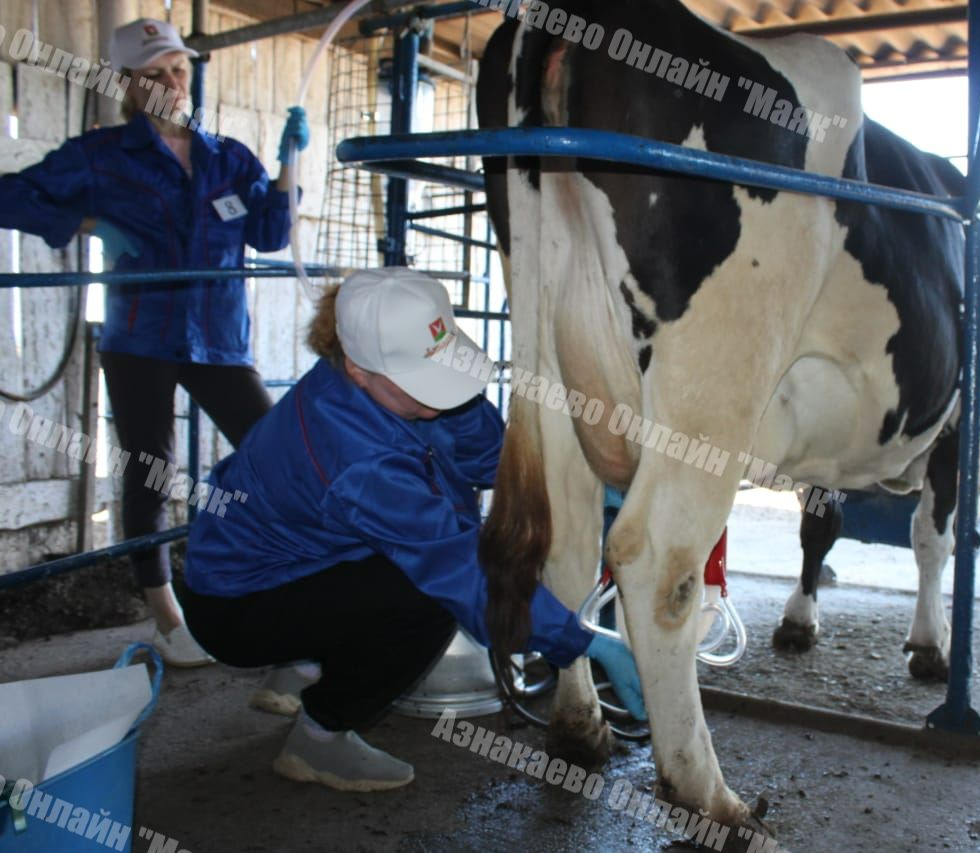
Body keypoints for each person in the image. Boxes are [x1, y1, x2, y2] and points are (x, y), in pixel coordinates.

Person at [179, 267, 646, 792]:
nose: (439, 396)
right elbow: (459, 570)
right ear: (358, 369)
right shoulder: (358, 459)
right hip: (235, 605)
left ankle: (304, 664)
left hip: (297, 560)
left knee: (393, 564)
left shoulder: (378, 385)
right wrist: (579, 643)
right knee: (424, 599)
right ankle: (319, 737)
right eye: (423, 382)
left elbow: (487, 455)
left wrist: (576, 485)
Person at [0, 18, 310, 666]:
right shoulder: (101, 155)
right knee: (150, 470)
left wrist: (287, 167)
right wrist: (89, 221)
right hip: (140, 335)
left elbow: (269, 235)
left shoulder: (228, 157)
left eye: (177, 69)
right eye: (154, 74)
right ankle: (167, 617)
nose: (172, 83)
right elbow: (12, 196)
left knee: (276, 451)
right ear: (126, 84)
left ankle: (280, 586)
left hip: (218, 339)